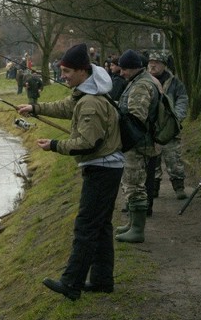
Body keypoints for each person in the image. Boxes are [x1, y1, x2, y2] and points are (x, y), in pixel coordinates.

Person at [17, 43, 123, 300]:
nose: (62, 76)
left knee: (86, 227)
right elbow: (66, 107)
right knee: (101, 226)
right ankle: (101, 280)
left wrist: (54, 145)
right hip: (106, 166)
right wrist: (36, 108)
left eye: (66, 71)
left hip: (102, 168)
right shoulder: (86, 93)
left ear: (82, 71)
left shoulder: (90, 102)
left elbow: (87, 143)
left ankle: (71, 283)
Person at [114, 49, 160, 243]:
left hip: (137, 145)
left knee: (135, 185)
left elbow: (136, 119)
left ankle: (138, 230)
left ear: (133, 68)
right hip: (136, 144)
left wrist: (117, 115)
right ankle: (132, 223)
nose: (121, 72)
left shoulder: (141, 86)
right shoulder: (138, 81)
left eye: (124, 69)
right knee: (131, 183)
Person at [147, 51, 189, 200]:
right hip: (150, 129)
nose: (152, 64)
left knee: (173, 158)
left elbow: (182, 100)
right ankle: (153, 188)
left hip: (170, 129)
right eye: (151, 61)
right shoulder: (144, 82)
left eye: (157, 62)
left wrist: (176, 118)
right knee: (152, 160)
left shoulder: (175, 83)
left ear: (164, 65)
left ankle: (179, 187)